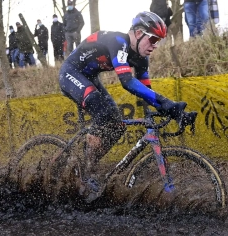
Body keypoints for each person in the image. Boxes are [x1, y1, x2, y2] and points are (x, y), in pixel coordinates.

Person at [59, 11, 187, 202]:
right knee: (103, 114)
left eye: (158, 41)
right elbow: (127, 82)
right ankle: (85, 175)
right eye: (152, 39)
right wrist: (167, 103)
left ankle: (88, 166)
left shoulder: (142, 57)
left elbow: (145, 89)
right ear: (137, 33)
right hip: (71, 72)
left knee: (117, 125)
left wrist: (162, 110)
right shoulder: (118, 42)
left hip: (90, 78)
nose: (155, 45)